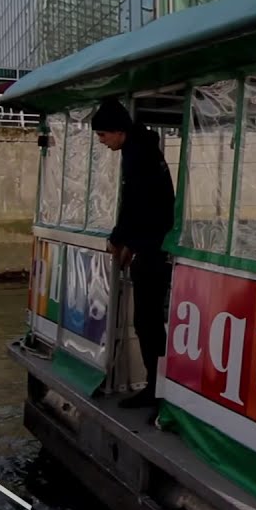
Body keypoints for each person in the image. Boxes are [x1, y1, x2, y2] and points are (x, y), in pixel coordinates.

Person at [91, 98, 175, 412]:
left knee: (147, 321)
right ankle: (157, 386)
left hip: (153, 248)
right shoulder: (142, 148)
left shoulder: (138, 153)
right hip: (151, 243)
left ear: (117, 130)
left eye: (102, 135)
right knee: (149, 321)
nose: (102, 141)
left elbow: (136, 204)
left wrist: (120, 239)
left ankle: (157, 389)